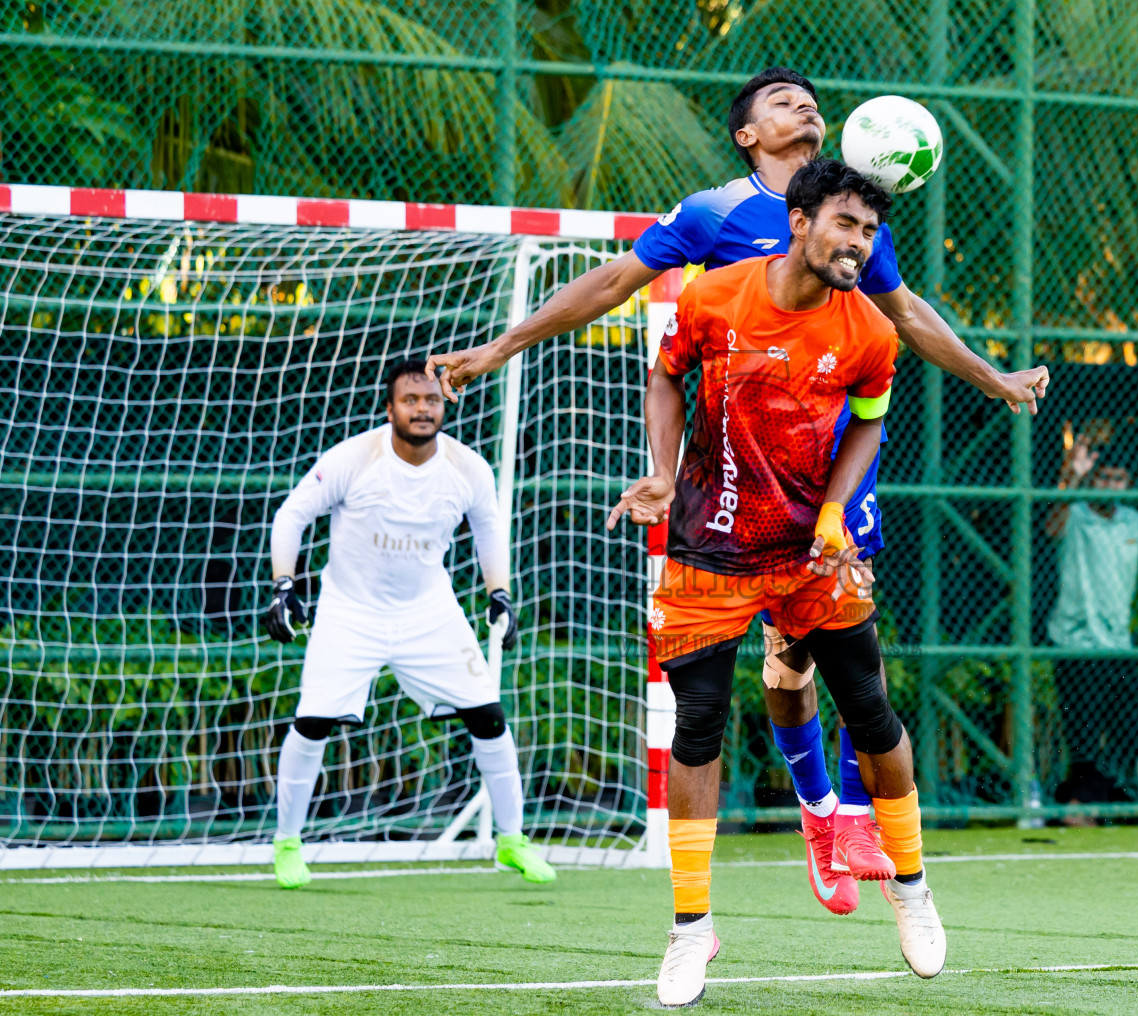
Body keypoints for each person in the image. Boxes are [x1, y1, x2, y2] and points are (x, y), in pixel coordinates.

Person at [426, 67, 1049, 915]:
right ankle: (820, 806)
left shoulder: (852, 216)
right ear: (747, 135)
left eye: (812, 100)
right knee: (780, 672)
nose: (806, 106)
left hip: (833, 473)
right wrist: (499, 348)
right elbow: (612, 284)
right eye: (782, 101)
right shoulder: (714, 215)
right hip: (738, 490)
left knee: (847, 657)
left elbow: (904, 314)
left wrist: (991, 377)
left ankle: (854, 824)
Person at [608, 160, 945, 1006]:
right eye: (845, 225)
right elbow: (664, 376)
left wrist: (836, 512)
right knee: (698, 726)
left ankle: (910, 888)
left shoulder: (871, 331)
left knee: (870, 709)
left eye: (869, 232)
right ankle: (691, 930)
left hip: (809, 554)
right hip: (708, 549)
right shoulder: (713, 296)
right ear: (800, 222)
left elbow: (867, 428)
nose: (859, 244)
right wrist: (659, 469)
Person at [262, 360, 555, 888]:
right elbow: (291, 516)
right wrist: (285, 585)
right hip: (349, 611)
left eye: (431, 400)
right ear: (390, 407)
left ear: (444, 406)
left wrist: (500, 593)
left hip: (429, 612)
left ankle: (512, 842)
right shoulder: (354, 458)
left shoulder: (469, 468)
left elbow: (489, 531)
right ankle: (287, 845)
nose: (422, 409)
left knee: (488, 715)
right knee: (313, 722)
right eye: (410, 400)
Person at [1045, 439, 1138, 808]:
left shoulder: (1132, 519)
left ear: (1128, 483)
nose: (1111, 485)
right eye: (1105, 477)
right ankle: (1083, 803)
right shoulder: (1075, 511)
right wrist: (1071, 476)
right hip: (1075, 643)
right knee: (1085, 735)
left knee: (1137, 731)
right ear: (1094, 478)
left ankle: (1083, 800)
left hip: (1118, 646)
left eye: (1119, 479)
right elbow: (1052, 527)